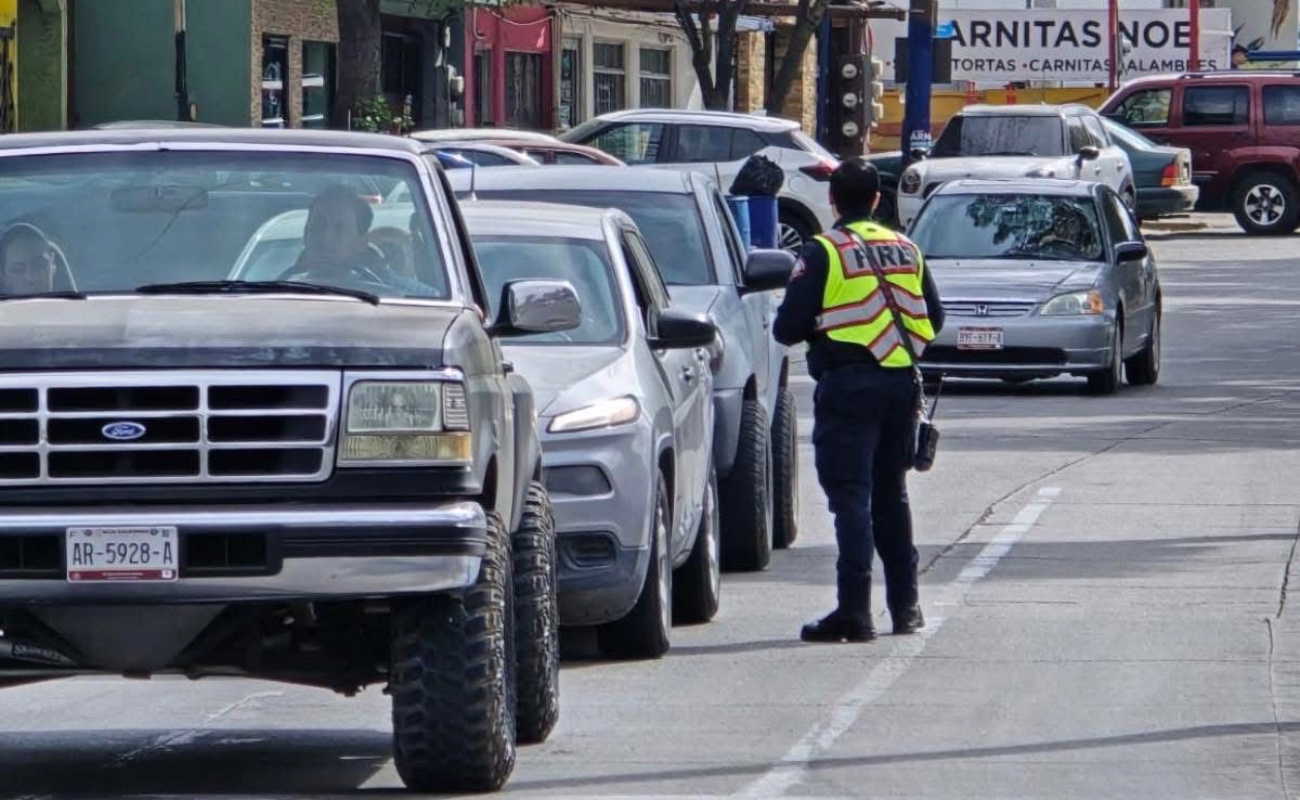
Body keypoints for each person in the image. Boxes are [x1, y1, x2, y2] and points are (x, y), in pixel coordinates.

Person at [773, 158, 945, 643]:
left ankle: (854, 612)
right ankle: (906, 607)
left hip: (849, 387)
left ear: (832, 202)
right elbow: (934, 317)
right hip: (901, 386)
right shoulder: (906, 247)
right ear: (876, 200)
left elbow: (787, 327)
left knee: (851, 498)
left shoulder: (824, 251)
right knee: (892, 493)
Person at [0, 223, 72, 295]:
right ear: (4, 277)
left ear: (53, 265)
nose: (31, 278)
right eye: (18, 270)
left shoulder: (79, 305)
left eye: (39, 265)